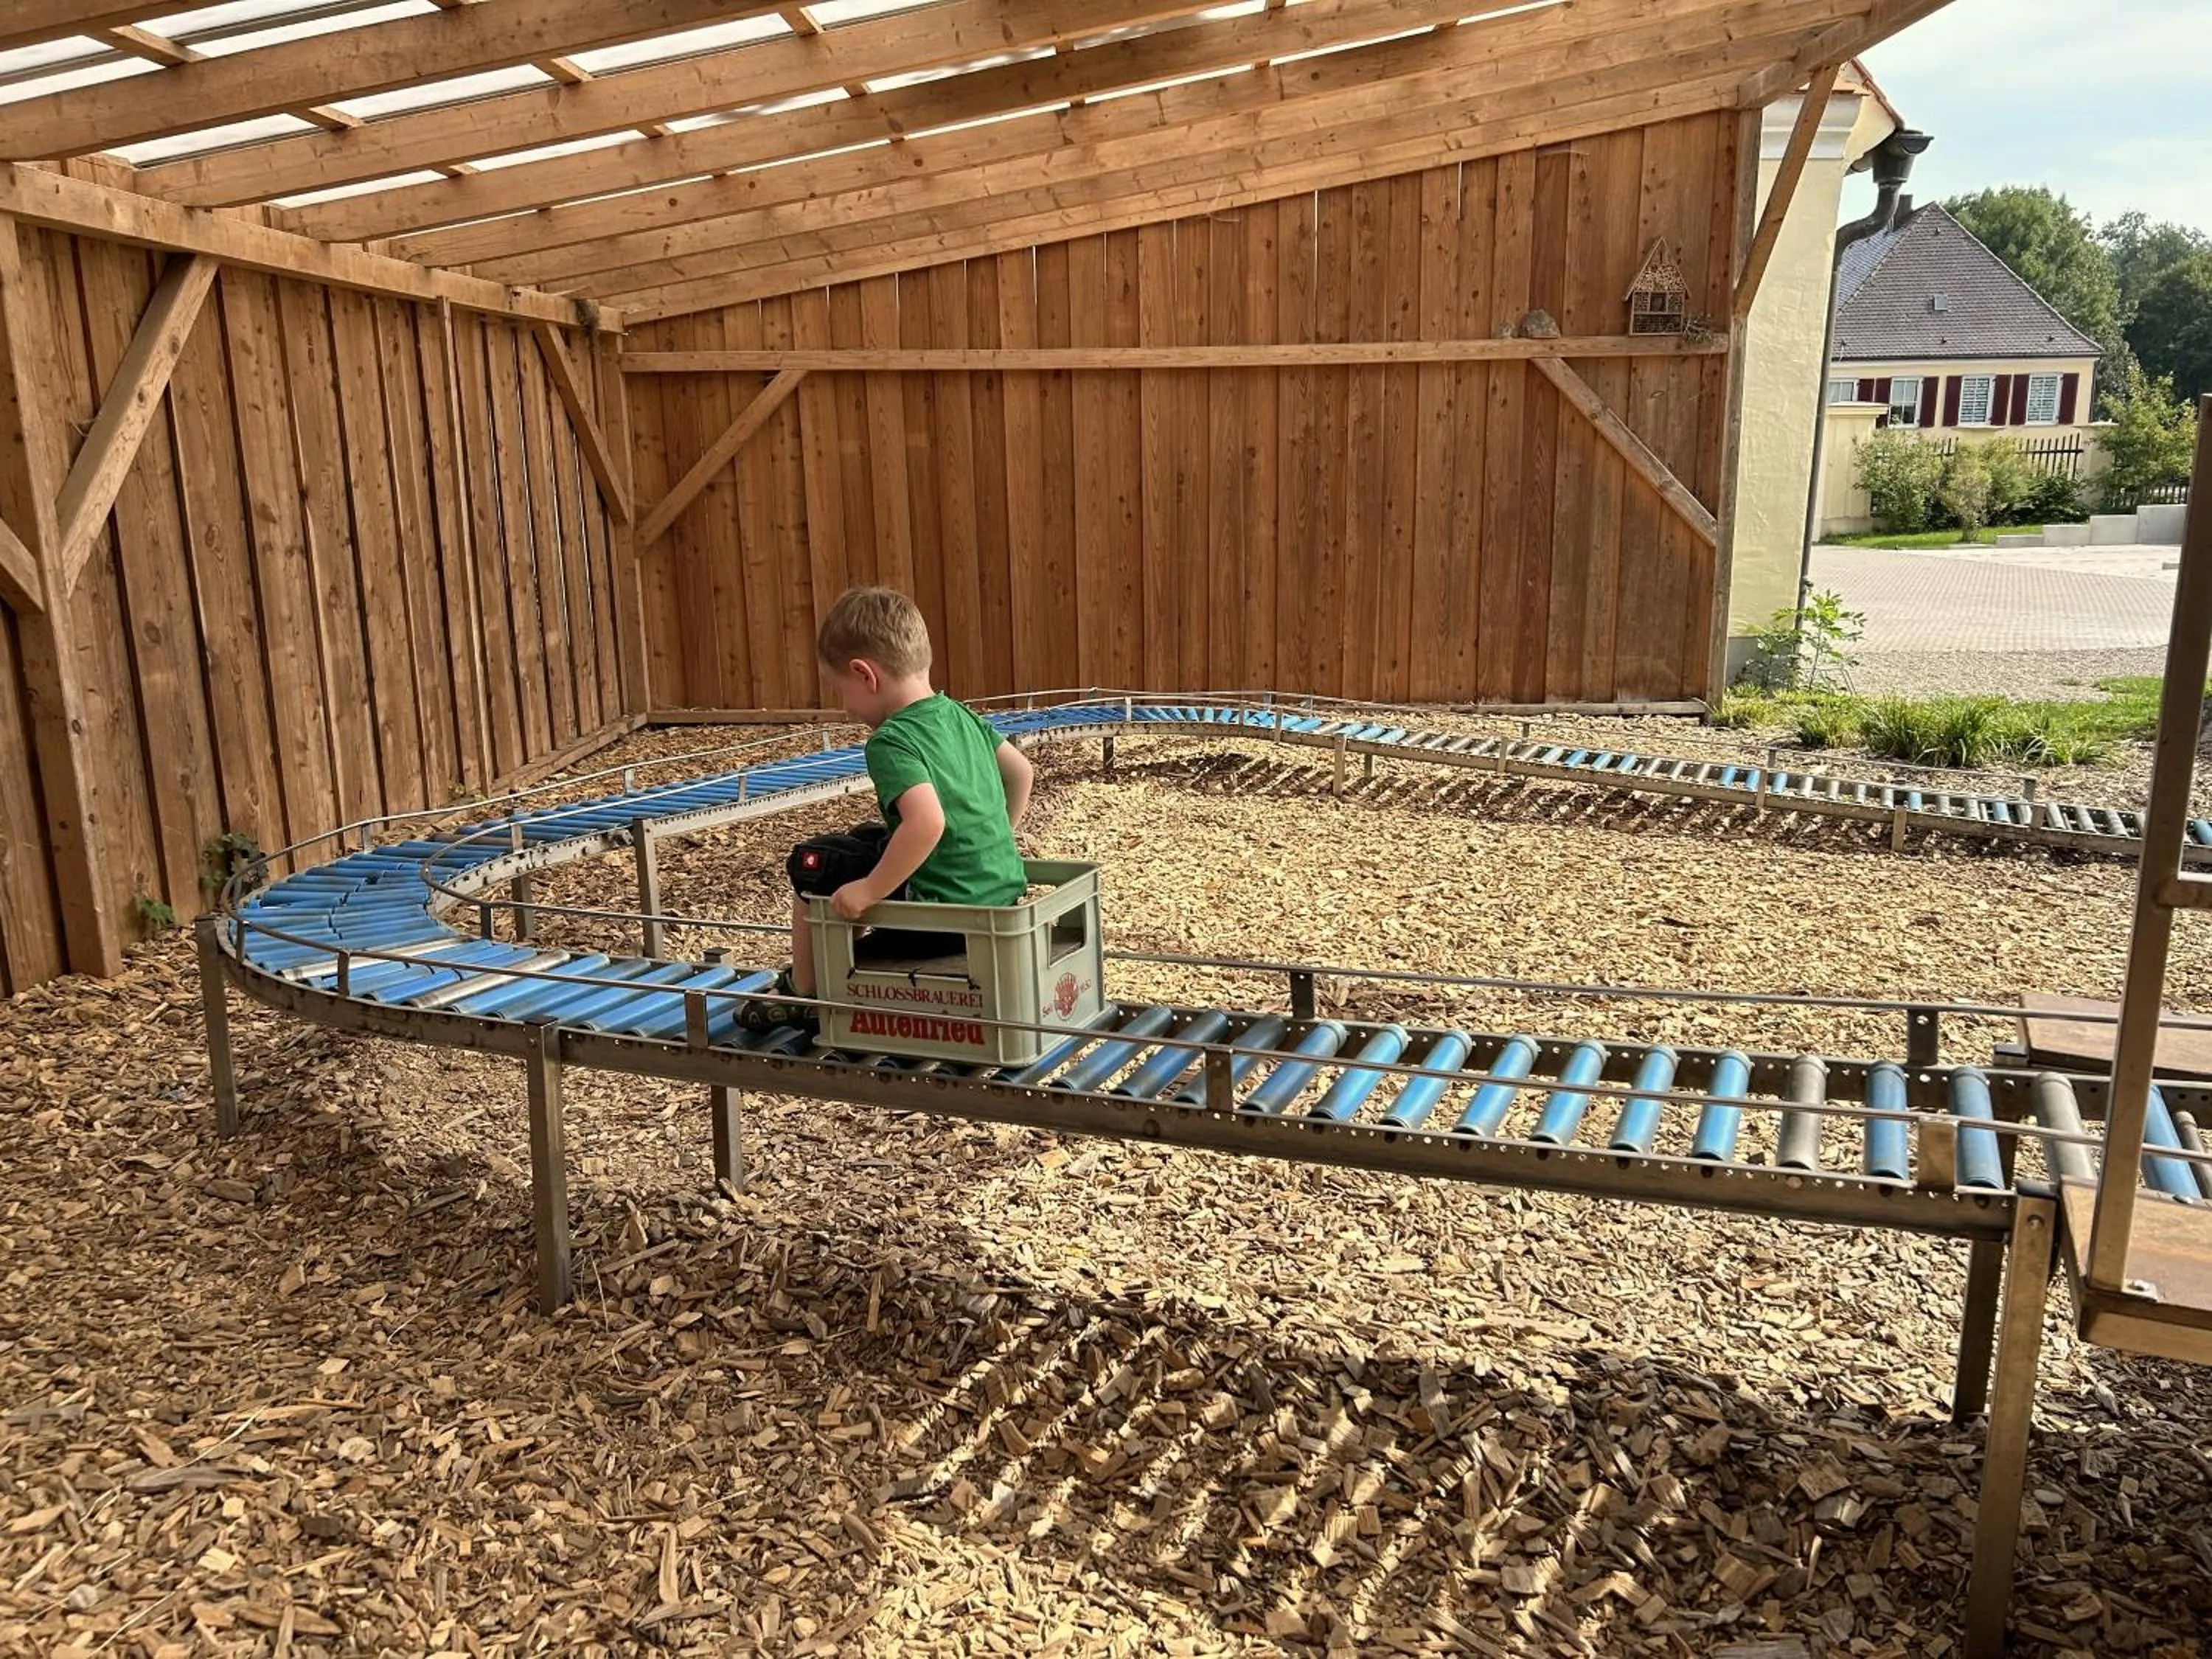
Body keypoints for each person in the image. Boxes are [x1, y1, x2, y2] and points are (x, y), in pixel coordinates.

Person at [741, 586, 1032, 1032]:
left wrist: (870, 891)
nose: (845, 705)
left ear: (865, 675)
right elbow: (1021, 773)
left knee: (812, 863)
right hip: (997, 904)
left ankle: (805, 992)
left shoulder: (892, 740)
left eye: (841, 690)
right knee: (862, 840)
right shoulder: (961, 715)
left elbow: (928, 822)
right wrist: (996, 836)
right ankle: (838, 965)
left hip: (937, 920)